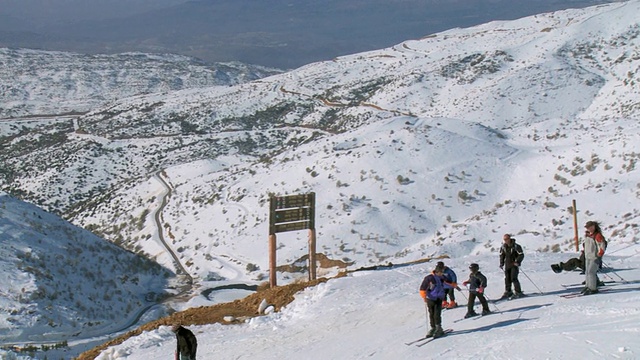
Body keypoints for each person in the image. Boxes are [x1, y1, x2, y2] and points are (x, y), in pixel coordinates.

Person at [419, 263, 448, 338]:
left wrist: (454, 286)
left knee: (437, 313)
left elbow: (446, 284)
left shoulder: (442, 278)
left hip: (439, 298)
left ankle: (438, 327)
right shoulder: (429, 278)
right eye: (441, 272)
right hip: (430, 298)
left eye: (442, 272)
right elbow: (422, 288)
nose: (442, 273)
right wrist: (424, 297)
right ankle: (433, 327)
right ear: (437, 272)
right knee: (431, 314)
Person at [582, 220, 607, 295]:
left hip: (594, 257)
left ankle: (593, 288)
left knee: (591, 272)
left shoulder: (597, 235)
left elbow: (602, 245)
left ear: (593, 227)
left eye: (589, 227)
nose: (588, 229)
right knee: (587, 272)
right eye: (587, 227)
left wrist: (600, 253)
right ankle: (588, 286)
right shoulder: (588, 235)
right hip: (588, 256)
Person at [499, 233, 525, 299]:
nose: (505, 240)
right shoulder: (503, 247)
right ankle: (508, 291)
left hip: (514, 264)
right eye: (504, 239)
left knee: (514, 278)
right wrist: (501, 263)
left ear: (509, 238)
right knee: (507, 279)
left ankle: (518, 292)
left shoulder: (516, 246)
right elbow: (502, 255)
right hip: (507, 265)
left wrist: (517, 262)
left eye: (507, 239)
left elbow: (521, 255)